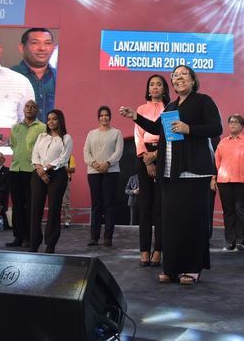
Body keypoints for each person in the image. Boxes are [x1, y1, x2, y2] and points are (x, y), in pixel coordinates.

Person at [120, 64, 222, 285]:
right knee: (171, 222)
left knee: (192, 221)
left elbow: (216, 128)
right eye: (175, 76)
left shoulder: (203, 101)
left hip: (194, 172)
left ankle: (193, 268)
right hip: (169, 173)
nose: (178, 78)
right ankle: (172, 267)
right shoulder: (171, 106)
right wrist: (135, 116)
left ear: (193, 80)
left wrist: (189, 129)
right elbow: (157, 129)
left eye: (183, 75)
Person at [134, 74, 170, 267]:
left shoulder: (171, 109)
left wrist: (157, 156)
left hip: (165, 156)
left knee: (161, 207)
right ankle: (144, 250)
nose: (155, 87)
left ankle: (158, 250)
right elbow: (138, 136)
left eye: (159, 84)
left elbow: (171, 137)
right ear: (148, 89)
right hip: (144, 157)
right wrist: (147, 160)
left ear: (165, 88)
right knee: (145, 206)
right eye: (152, 85)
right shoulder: (141, 109)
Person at [211, 114, 244, 251]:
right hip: (224, 181)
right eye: (230, 122)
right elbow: (216, 163)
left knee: (241, 211)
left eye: (236, 122)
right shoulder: (223, 142)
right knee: (228, 212)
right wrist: (213, 178)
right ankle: (230, 241)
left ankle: (241, 241)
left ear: (242, 126)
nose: (232, 124)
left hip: (243, 181)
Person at [29, 109, 73, 253]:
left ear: (60, 120)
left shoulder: (66, 138)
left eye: (54, 119)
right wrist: (40, 170)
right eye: (49, 119)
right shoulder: (42, 136)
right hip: (38, 173)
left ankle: (50, 244)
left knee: (54, 209)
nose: (51, 122)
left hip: (57, 175)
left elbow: (63, 158)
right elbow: (35, 154)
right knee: (36, 209)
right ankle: (34, 243)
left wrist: (46, 168)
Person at [6, 100, 45, 248]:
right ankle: (18, 237)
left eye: (33, 107)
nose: (29, 109)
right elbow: (14, 146)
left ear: (37, 111)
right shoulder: (15, 127)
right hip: (16, 170)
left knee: (31, 206)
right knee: (17, 206)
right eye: (27, 107)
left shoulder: (42, 128)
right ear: (23, 109)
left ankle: (30, 237)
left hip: (32, 171)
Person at [83, 106, 124, 247]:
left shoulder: (117, 133)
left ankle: (108, 237)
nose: (104, 117)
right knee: (96, 205)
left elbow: (118, 152)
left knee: (109, 205)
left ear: (110, 117)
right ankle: (94, 237)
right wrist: (96, 165)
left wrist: (107, 164)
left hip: (111, 172)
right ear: (98, 117)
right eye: (101, 115)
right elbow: (86, 154)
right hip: (94, 173)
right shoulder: (91, 134)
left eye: (107, 115)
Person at [12, 28, 57, 122]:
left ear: (53, 47)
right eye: (35, 43)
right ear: (22, 48)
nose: (42, 48)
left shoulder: (61, 77)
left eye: (47, 43)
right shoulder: (9, 77)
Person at [62, 155, 77, 228]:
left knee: (66, 201)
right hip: (54, 180)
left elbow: (73, 169)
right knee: (54, 201)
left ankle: (67, 221)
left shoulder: (70, 157)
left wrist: (63, 169)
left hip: (65, 179)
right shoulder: (54, 156)